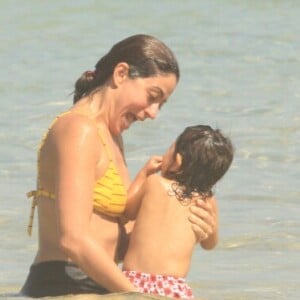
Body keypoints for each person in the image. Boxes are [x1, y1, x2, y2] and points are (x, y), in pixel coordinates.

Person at [20, 34, 216, 298]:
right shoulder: (78, 129)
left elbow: (116, 240)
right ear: (121, 73)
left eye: (161, 104)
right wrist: (136, 296)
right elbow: (73, 240)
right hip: (65, 286)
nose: (153, 113)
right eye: (152, 96)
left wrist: (191, 225)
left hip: (102, 284)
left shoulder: (111, 137)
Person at [122, 125, 234, 299]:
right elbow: (209, 244)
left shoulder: (154, 183)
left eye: (170, 149)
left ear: (178, 160)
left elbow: (127, 210)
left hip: (135, 281)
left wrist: (143, 174)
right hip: (174, 288)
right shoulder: (207, 201)